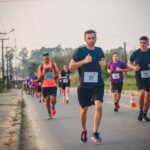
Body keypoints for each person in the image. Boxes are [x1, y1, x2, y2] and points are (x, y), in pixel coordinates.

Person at [69, 30, 105, 143]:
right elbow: (71, 66)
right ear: (85, 39)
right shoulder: (80, 50)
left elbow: (103, 62)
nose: (91, 40)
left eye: (93, 38)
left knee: (98, 106)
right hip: (84, 85)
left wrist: (103, 63)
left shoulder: (99, 50)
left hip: (97, 84)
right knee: (84, 109)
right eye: (89, 38)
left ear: (96, 38)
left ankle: (95, 133)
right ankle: (83, 130)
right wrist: (84, 61)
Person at [127, 36, 150, 122]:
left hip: (149, 77)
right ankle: (140, 111)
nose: (143, 44)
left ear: (148, 43)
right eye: (141, 43)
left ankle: (145, 114)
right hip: (139, 76)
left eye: (144, 42)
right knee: (142, 93)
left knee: (148, 96)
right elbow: (128, 63)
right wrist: (134, 67)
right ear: (139, 43)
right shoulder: (136, 53)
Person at [38, 52, 59, 120]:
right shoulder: (41, 66)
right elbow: (39, 77)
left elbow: (57, 73)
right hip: (45, 86)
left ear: (48, 56)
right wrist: (43, 75)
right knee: (47, 101)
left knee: (53, 100)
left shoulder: (53, 64)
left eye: (47, 55)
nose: (46, 57)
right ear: (43, 57)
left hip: (53, 84)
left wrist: (54, 75)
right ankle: (49, 114)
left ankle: (53, 106)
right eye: (44, 56)